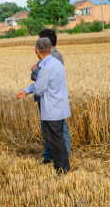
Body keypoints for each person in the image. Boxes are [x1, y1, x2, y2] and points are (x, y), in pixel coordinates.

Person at [17, 38, 71, 174]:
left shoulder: (46, 68)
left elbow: (40, 88)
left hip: (52, 108)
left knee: (55, 140)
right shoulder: (56, 63)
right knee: (57, 138)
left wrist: (29, 88)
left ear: (37, 50)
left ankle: (63, 169)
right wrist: (27, 90)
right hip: (59, 106)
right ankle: (63, 167)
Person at [30, 29, 71, 165]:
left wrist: (36, 70)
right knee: (48, 130)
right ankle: (50, 156)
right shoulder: (46, 59)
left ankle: (64, 157)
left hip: (52, 100)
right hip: (46, 99)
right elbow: (35, 77)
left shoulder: (55, 58)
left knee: (59, 131)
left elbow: (39, 78)